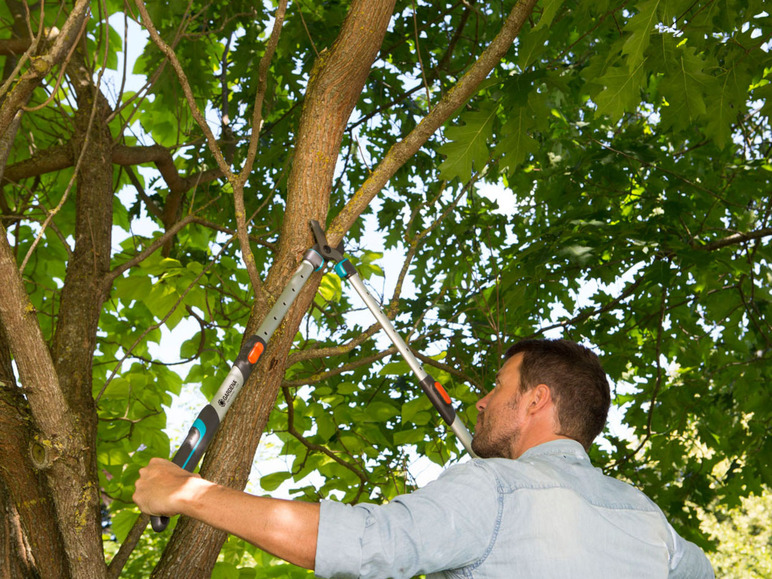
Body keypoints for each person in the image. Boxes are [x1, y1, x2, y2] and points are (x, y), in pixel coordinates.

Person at [133, 339, 714, 578]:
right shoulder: (648, 521)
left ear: (536, 400)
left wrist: (187, 491)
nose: (481, 401)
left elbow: (363, 543)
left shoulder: (495, 489)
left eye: (498, 386)